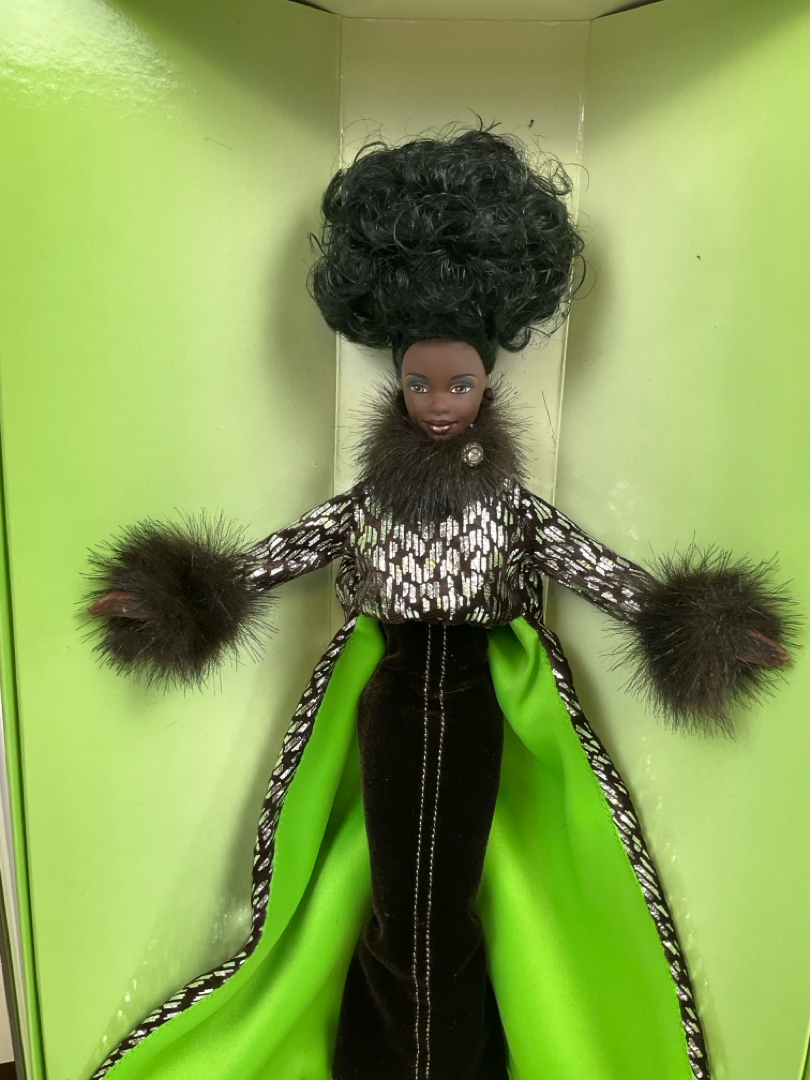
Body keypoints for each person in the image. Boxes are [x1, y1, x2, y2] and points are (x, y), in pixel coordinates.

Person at [85, 128, 793, 1080]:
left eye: (460, 382)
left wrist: (703, 630)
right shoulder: (369, 502)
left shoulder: (510, 506)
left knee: (449, 896)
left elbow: (598, 570)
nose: (439, 401)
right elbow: (277, 556)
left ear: (489, 378)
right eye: (420, 381)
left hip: (477, 696)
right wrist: (174, 601)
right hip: (386, 690)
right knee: (398, 898)